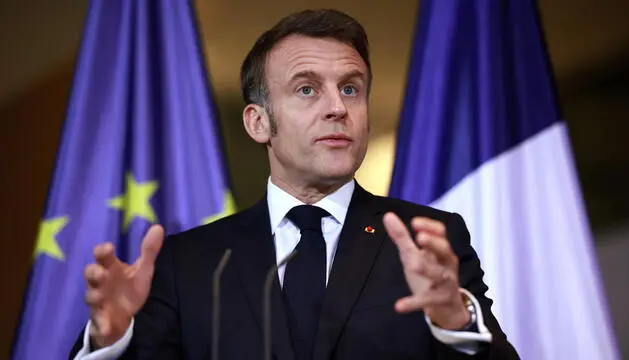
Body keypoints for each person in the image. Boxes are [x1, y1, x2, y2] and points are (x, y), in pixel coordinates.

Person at [69, 9, 519, 360]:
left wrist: (455, 320)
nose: (337, 108)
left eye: (350, 88)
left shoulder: (428, 241)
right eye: (307, 89)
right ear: (259, 122)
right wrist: (111, 340)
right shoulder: (188, 264)